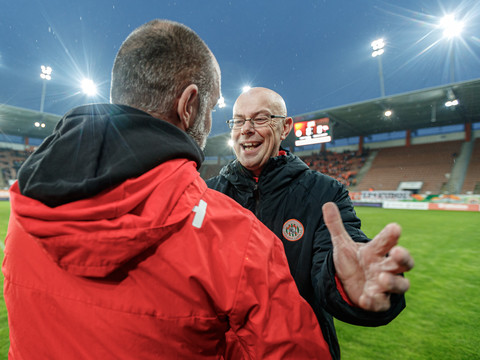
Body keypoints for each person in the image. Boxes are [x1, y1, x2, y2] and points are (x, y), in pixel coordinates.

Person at [2, 21, 333, 359]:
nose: (211, 123)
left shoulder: (27, 207)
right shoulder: (238, 238)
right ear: (188, 105)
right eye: (212, 106)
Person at [206, 87, 415, 360]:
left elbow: (338, 256)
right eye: (238, 120)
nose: (246, 129)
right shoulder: (206, 194)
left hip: (299, 350)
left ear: (285, 128)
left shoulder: (326, 193)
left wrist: (348, 279)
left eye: (260, 119)